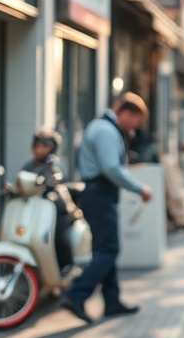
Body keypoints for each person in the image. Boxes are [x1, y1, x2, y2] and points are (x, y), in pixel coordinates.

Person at [60, 92, 153, 324]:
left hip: (99, 193)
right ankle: (76, 294)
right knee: (109, 249)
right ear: (127, 113)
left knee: (106, 248)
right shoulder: (106, 131)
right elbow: (111, 167)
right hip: (99, 194)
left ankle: (112, 302)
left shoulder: (104, 128)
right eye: (136, 121)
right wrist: (138, 188)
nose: (135, 128)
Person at [19, 129, 80, 274]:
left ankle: (65, 266)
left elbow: (59, 174)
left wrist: (53, 178)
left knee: (57, 235)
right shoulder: (30, 165)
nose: (39, 149)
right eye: (37, 145)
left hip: (56, 208)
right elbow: (22, 180)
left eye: (43, 146)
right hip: (34, 207)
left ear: (51, 148)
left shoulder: (54, 163)